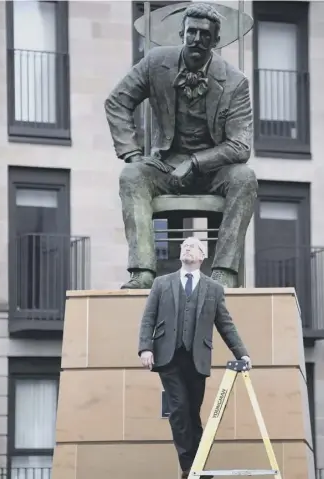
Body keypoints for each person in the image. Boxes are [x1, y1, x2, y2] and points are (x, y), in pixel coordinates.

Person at [105, 2, 258, 290]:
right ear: (182, 33)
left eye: (204, 35)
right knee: (132, 176)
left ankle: (224, 272)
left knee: (245, 177)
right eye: (192, 32)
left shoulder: (236, 82)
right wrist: (134, 153)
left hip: (213, 173)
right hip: (166, 166)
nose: (197, 40)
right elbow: (117, 102)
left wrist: (196, 162)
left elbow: (240, 146)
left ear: (216, 40)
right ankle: (142, 272)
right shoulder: (155, 63)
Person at [138, 236, 252, 479]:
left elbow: (226, 325)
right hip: (168, 357)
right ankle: (189, 467)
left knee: (192, 413)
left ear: (202, 257)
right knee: (178, 409)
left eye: (193, 246)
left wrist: (242, 353)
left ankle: (199, 464)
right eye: (184, 246)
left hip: (197, 359)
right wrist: (145, 348)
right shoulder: (161, 283)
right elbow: (148, 318)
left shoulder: (214, 288)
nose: (187, 248)